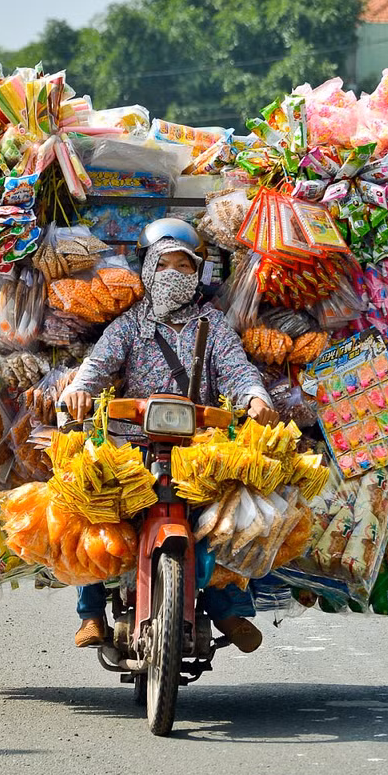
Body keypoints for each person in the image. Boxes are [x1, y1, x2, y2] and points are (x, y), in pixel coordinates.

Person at [60, 218, 278, 653]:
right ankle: (91, 611)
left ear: (198, 272)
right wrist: (78, 391)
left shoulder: (213, 326)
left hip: (199, 448)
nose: (173, 275)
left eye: (183, 266)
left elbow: (237, 370)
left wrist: (255, 397)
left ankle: (228, 608)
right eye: (163, 265)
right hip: (132, 444)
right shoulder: (128, 326)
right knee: (93, 504)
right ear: (147, 269)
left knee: (225, 517)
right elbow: (97, 366)